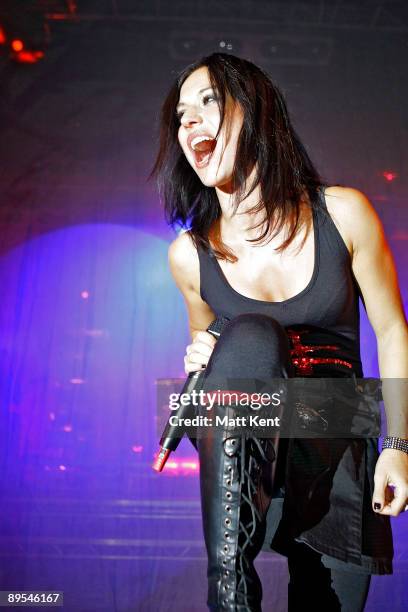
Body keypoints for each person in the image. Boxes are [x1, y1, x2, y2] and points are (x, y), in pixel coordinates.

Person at [150, 52, 408, 611]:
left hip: (334, 444)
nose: (187, 120)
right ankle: (230, 594)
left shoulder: (342, 214)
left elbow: (391, 329)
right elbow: (206, 367)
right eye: (180, 115)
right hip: (248, 450)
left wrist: (399, 445)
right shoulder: (190, 255)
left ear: (258, 112)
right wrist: (203, 352)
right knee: (249, 336)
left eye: (208, 102)